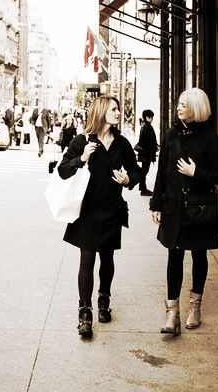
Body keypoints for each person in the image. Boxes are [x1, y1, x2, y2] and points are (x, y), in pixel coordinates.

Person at [58, 94, 140, 338]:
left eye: (117, 109)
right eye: (114, 109)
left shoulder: (122, 143)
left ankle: (104, 299)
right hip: (87, 211)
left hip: (112, 209)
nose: (118, 112)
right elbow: (62, 170)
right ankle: (85, 313)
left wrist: (128, 180)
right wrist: (81, 159)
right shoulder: (82, 140)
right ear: (102, 111)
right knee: (86, 261)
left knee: (107, 258)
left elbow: (136, 172)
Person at [150, 88, 218, 334]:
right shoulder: (172, 134)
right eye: (179, 103)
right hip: (173, 207)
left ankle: (195, 306)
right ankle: (172, 313)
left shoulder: (210, 138)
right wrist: (156, 204)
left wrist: (197, 173)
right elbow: (162, 172)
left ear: (196, 109)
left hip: (199, 208)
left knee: (198, 256)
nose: (179, 107)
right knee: (174, 256)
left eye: (184, 104)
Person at [135, 109, 159, 196]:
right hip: (146, 153)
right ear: (147, 117)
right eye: (151, 117)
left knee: (144, 170)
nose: (152, 119)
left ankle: (142, 188)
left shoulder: (144, 126)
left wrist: (156, 145)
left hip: (145, 153)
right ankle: (143, 189)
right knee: (144, 171)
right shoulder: (147, 127)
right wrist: (155, 146)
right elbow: (149, 140)